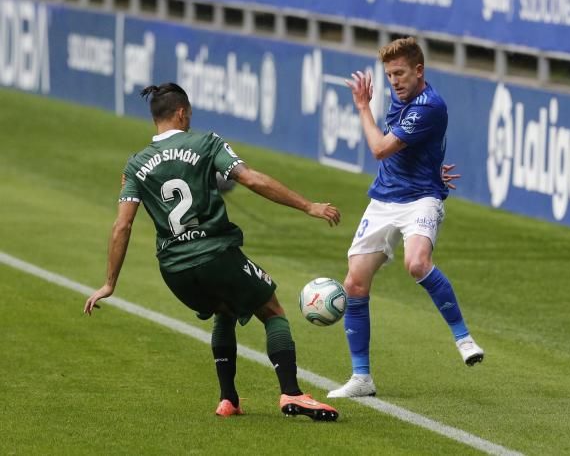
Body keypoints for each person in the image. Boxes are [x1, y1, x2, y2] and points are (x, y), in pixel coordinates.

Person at [84, 82, 341, 421]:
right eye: (188, 114)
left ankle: (229, 399)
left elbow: (122, 226)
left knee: (224, 311)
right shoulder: (206, 143)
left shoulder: (135, 165)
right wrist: (308, 206)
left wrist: (109, 283)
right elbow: (251, 179)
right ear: (181, 112)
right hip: (215, 254)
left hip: (175, 271)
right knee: (273, 310)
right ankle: (292, 394)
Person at [327, 37, 483, 399]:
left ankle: (463, 338)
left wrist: (363, 107)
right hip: (384, 199)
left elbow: (380, 149)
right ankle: (362, 378)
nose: (394, 81)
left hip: (420, 201)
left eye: (400, 73)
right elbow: (416, 148)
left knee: (417, 263)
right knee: (354, 284)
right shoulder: (402, 95)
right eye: (389, 75)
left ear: (419, 71)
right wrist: (432, 166)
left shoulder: (430, 105)